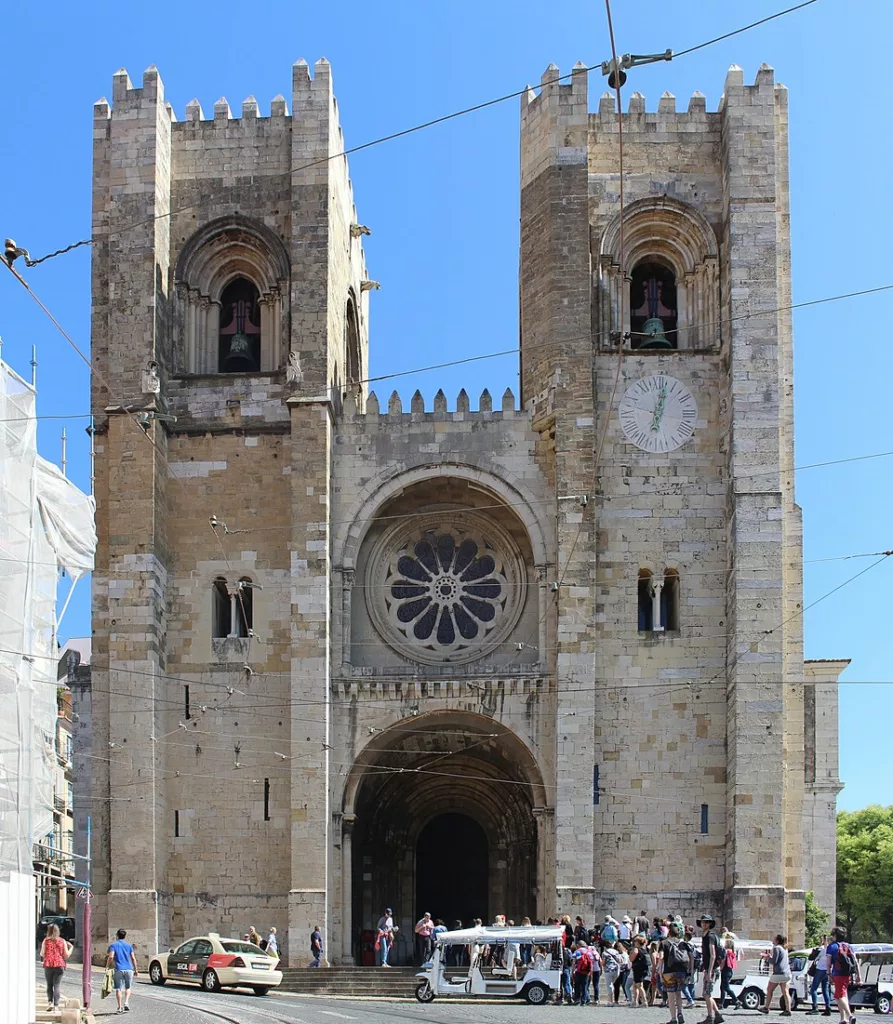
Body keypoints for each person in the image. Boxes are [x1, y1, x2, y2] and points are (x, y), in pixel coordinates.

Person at [827, 926, 861, 1024]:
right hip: (847, 974)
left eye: (833, 935)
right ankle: (843, 1018)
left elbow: (828, 963)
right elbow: (855, 961)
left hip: (837, 974)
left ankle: (850, 1015)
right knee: (842, 995)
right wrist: (859, 975)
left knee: (839, 995)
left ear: (835, 935)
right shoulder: (849, 946)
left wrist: (829, 974)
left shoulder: (832, 946)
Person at [659, 921, 690, 1024]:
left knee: (670, 995)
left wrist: (660, 971)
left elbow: (661, 957)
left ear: (669, 931)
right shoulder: (683, 943)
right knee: (678, 993)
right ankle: (680, 1012)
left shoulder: (664, 943)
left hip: (669, 971)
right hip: (681, 971)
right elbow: (690, 957)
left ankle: (673, 1018)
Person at [40, 922, 73, 1012]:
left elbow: (42, 954)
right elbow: (66, 955)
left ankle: (50, 1002)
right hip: (59, 964)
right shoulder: (62, 941)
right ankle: (56, 1006)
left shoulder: (45, 940)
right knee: (57, 985)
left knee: (49, 985)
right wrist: (71, 947)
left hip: (48, 964)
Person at [698, 913, 724, 1024]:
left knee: (707, 994)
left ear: (709, 924)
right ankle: (717, 1015)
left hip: (712, 969)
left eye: (706, 922)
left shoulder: (710, 936)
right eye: (703, 922)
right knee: (706, 993)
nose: (704, 924)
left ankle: (710, 1017)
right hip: (710, 968)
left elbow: (712, 954)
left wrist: (709, 971)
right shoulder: (706, 936)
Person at [106, 927, 139, 1015]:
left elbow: (111, 957)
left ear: (117, 935)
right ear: (125, 936)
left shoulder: (114, 945)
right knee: (128, 987)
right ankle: (126, 1002)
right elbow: (133, 958)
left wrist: (107, 966)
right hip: (129, 969)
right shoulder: (129, 946)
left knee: (118, 989)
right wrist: (136, 969)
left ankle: (119, 1007)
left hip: (119, 969)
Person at [761, 934, 793, 1016]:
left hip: (778, 973)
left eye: (774, 938)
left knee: (769, 990)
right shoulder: (784, 949)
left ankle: (766, 1007)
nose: (773, 939)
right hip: (787, 973)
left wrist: (767, 957)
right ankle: (788, 1009)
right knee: (786, 992)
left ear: (777, 940)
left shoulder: (776, 948)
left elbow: (774, 961)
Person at [807, 935, 832, 1016]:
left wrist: (819, 946)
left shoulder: (822, 949)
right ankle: (828, 1008)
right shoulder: (831, 949)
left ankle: (815, 1007)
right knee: (825, 990)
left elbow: (813, 957)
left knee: (813, 989)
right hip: (827, 971)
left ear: (825, 940)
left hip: (820, 969)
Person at [630, 934, 651, 1007]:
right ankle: (635, 1001)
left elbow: (632, 957)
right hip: (644, 968)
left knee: (639, 985)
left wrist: (631, 956)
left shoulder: (636, 949)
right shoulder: (645, 950)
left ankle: (644, 1001)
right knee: (635, 985)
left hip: (638, 969)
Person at [571, 940, 593, 1005]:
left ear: (578, 945)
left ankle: (577, 999)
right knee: (584, 986)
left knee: (577, 985)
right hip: (586, 972)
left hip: (578, 971)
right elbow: (591, 962)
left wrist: (572, 971)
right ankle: (584, 1000)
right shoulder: (589, 952)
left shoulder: (577, 951)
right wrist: (590, 972)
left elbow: (573, 961)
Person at [720, 935, 738, 1009]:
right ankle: (721, 1003)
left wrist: (720, 968)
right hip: (729, 971)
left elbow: (723, 961)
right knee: (722, 988)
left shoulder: (726, 951)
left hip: (725, 971)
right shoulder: (733, 952)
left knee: (726, 988)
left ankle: (737, 1001)